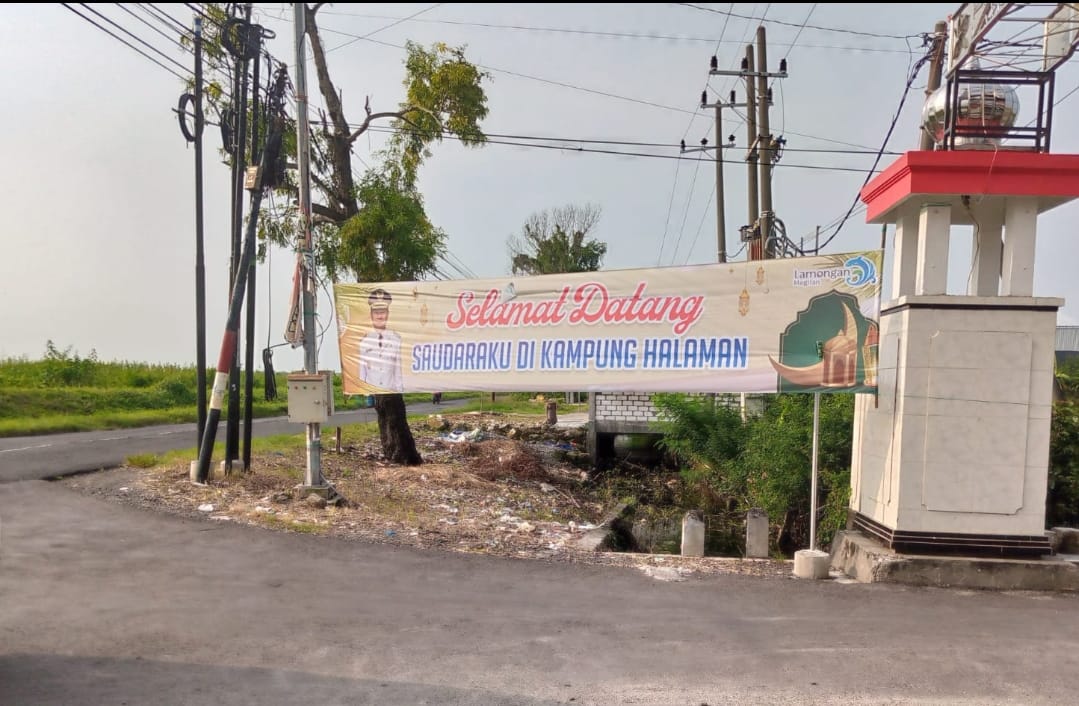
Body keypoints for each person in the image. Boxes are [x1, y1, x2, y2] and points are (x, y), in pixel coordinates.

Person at [358, 288, 404, 392]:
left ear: (388, 314)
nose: (380, 316)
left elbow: (398, 373)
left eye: (382, 312)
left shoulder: (396, 339)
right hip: (372, 394)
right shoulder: (364, 342)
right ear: (371, 315)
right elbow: (362, 373)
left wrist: (399, 392)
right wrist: (364, 394)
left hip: (390, 393)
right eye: (376, 312)